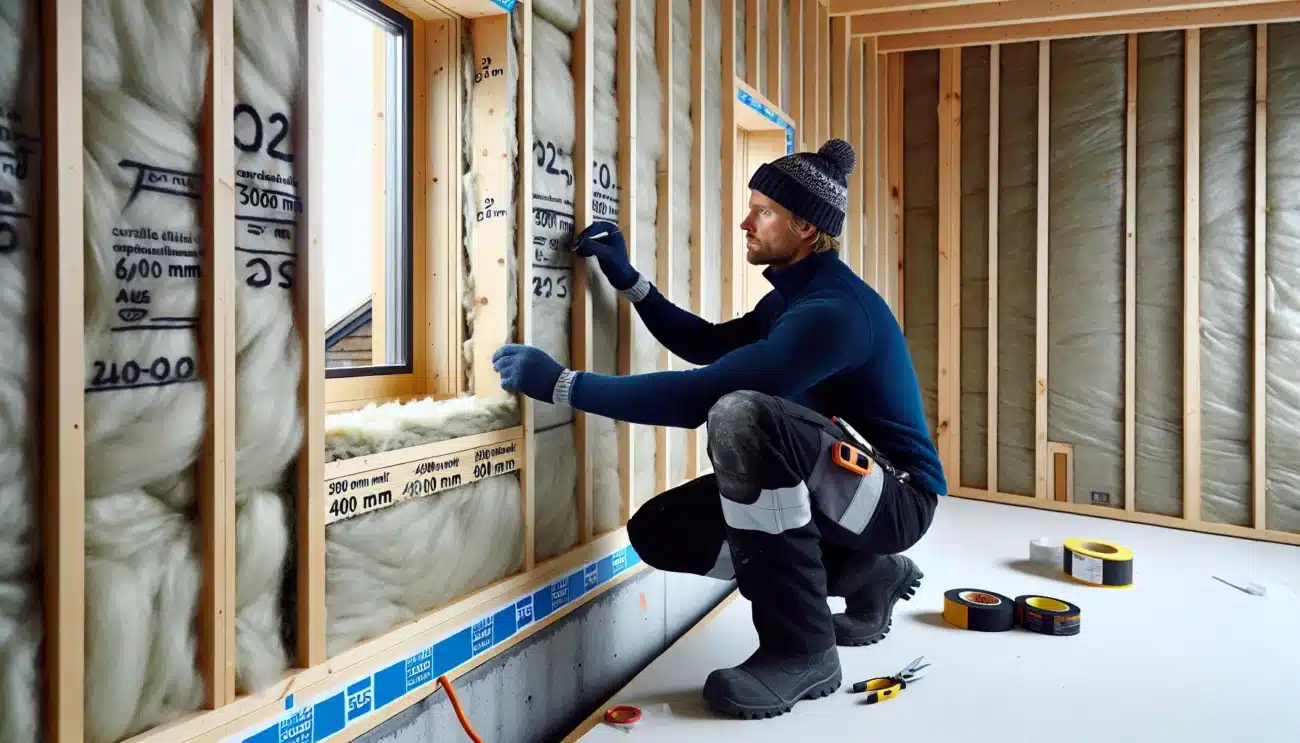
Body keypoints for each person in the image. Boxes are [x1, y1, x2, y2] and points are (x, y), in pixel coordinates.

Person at [491, 137, 945, 720]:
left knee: (741, 413)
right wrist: (630, 281)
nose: (744, 221)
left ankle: (801, 650)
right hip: (845, 490)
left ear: (805, 228)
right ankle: (866, 571)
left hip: (895, 498)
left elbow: (704, 395)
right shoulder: (791, 302)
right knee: (663, 529)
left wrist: (563, 384)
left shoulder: (835, 313)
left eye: (763, 211)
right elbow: (707, 345)